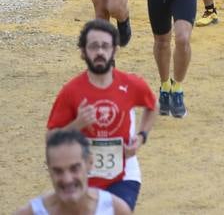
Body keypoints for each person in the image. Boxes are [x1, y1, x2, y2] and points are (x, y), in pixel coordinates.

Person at [46, 20, 156, 212]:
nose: (100, 52)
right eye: (93, 46)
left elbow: (152, 106)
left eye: (105, 46)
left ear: (115, 50)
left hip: (124, 174)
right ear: (83, 51)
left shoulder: (131, 84)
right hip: (82, 176)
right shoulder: (71, 91)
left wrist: (141, 137)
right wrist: (77, 124)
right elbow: (50, 139)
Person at [15, 129, 130, 215]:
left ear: (89, 163)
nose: (67, 179)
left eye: (74, 168)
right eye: (58, 171)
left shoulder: (116, 210)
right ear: (49, 170)